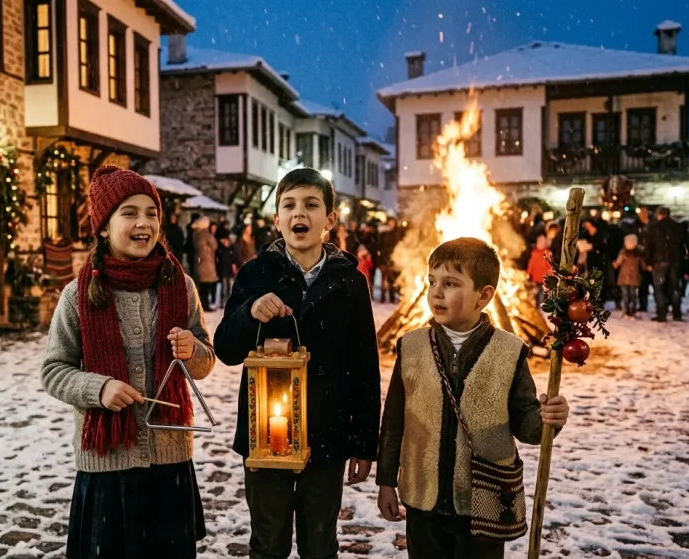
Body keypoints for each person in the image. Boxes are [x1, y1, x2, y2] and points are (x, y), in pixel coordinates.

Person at [40, 166, 216, 559]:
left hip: (169, 458)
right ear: (103, 227)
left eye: (151, 213)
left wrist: (193, 349)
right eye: (129, 213)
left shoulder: (180, 286)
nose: (144, 223)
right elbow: (54, 370)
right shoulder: (78, 295)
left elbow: (205, 361)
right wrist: (98, 389)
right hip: (108, 465)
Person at [213, 168, 380, 559]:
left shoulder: (349, 282)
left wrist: (363, 443)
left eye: (310, 204)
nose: (298, 213)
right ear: (276, 220)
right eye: (288, 205)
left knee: (319, 543)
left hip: (326, 435)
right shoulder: (256, 274)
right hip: (264, 437)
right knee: (268, 542)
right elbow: (225, 348)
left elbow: (364, 367)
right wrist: (250, 312)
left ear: (330, 220)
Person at [376, 238, 570, 559]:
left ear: (484, 295)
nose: (436, 292)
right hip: (424, 498)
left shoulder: (509, 352)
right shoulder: (410, 347)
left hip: (485, 501)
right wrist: (386, 479)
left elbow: (527, 426)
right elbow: (395, 419)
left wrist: (550, 419)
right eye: (432, 281)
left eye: (450, 284)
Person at [645, 207, 685, 322]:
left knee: (659, 288)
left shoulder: (654, 228)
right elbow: (682, 244)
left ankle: (661, 312)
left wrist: (649, 261)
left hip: (659, 260)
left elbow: (649, 246)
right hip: (674, 260)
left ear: (659, 214)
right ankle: (677, 312)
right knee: (675, 286)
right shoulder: (677, 227)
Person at [191, 216, 219, 311]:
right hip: (207, 263)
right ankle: (205, 305)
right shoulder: (205, 233)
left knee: (202, 286)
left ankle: (202, 305)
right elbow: (214, 245)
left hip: (200, 262)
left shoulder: (195, 234)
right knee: (207, 285)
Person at [614, 234, 643, 317]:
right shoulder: (639, 253)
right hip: (634, 276)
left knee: (625, 294)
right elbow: (642, 265)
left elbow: (618, 263)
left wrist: (615, 264)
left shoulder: (623, 253)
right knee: (633, 294)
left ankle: (626, 310)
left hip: (624, 277)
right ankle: (632, 310)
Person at [526, 234, 553, 307]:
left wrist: (550, 275)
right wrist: (529, 272)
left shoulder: (547, 254)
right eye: (539, 242)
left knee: (541, 292)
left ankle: (540, 305)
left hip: (543, 277)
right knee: (536, 291)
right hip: (536, 277)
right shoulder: (534, 253)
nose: (540, 244)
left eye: (542, 242)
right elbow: (531, 264)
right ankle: (536, 304)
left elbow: (550, 266)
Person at [216, 235, 241, 306]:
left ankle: (230, 301)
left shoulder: (232, 249)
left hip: (230, 271)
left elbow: (235, 260)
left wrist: (234, 266)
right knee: (224, 287)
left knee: (230, 286)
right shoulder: (221, 249)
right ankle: (224, 301)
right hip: (224, 270)